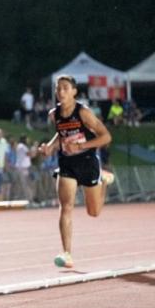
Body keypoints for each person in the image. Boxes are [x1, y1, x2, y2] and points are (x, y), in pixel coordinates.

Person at [37, 75, 114, 270]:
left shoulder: (84, 113)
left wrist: (83, 144)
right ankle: (67, 253)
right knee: (66, 207)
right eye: (58, 88)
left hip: (87, 162)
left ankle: (103, 181)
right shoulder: (54, 114)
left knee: (93, 212)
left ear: (74, 92)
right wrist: (50, 147)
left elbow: (106, 137)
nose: (60, 92)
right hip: (67, 164)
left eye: (65, 88)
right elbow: (60, 134)